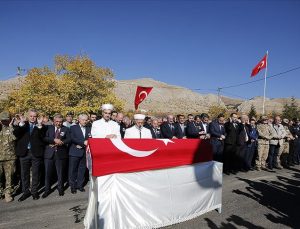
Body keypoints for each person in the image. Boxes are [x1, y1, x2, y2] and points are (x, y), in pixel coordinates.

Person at [13, 109, 46, 201]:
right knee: (24, 174)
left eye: (34, 116)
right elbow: (16, 133)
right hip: (24, 153)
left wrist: (39, 125)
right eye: (31, 116)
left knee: (35, 173)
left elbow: (42, 137)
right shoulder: (22, 124)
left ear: (37, 117)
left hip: (36, 153)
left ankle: (34, 192)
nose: (33, 118)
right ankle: (25, 192)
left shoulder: (41, 126)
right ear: (28, 116)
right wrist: (21, 123)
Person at [42, 114, 71, 198]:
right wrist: (54, 140)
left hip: (60, 154)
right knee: (47, 173)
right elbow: (44, 138)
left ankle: (60, 188)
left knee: (60, 173)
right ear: (54, 121)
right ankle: (47, 190)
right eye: (57, 121)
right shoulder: (48, 128)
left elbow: (69, 139)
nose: (58, 123)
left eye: (60, 122)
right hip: (49, 154)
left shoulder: (66, 129)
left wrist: (62, 142)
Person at [69, 114, 91, 194]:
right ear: (79, 119)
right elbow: (72, 138)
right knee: (73, 170)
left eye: (86, 120)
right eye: (83, 120)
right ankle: (73, 186)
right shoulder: (73, 128)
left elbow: (90, 138)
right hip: (74, 152)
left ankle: (80, 185)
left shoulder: (89, 128)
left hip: (84, 152)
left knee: (82, 170)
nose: (85, 121)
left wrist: (84, 143)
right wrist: (82, 143)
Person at [0, 111, 16, 202]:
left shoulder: (11, 128)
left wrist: (10, 127)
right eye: (3, 120)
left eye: (6, 120)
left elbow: (14, 138)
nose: (4, 122)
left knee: (9, 176)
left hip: (10, 157)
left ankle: (8, 193)